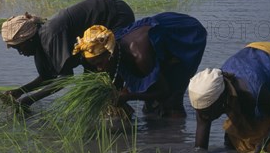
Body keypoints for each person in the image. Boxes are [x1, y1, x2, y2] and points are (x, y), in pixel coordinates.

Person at [0, 0, 135, 109]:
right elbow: (47, 77)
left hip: (115, 16)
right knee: (91, 87)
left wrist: (30, 100)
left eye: (19, 48)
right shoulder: (40, 45)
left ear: (29, 39)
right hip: (90, 40)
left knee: (110, 71)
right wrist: (19, 92)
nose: (20, 53)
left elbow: (66, 78)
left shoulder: (50, 35)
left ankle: (123, 108)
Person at [72, 12, 207, 117]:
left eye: (100, 63)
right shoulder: (114, 45)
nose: (99, 68)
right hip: (159, 40)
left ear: (110, 53)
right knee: (151, 104)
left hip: (186, 34)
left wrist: (130, 96)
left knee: (171, 100)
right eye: (95, 65)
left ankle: (175, 140)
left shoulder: (140, 56)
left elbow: (163, 92)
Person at [188, 42, 270, 153]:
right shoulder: (207, 99)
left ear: (221, 101)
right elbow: (200, 149)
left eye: (206, 113)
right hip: (253, 55)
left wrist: (264, 142)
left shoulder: (252, 92)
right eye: (200, 112)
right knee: (237, 134)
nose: (203, 117)